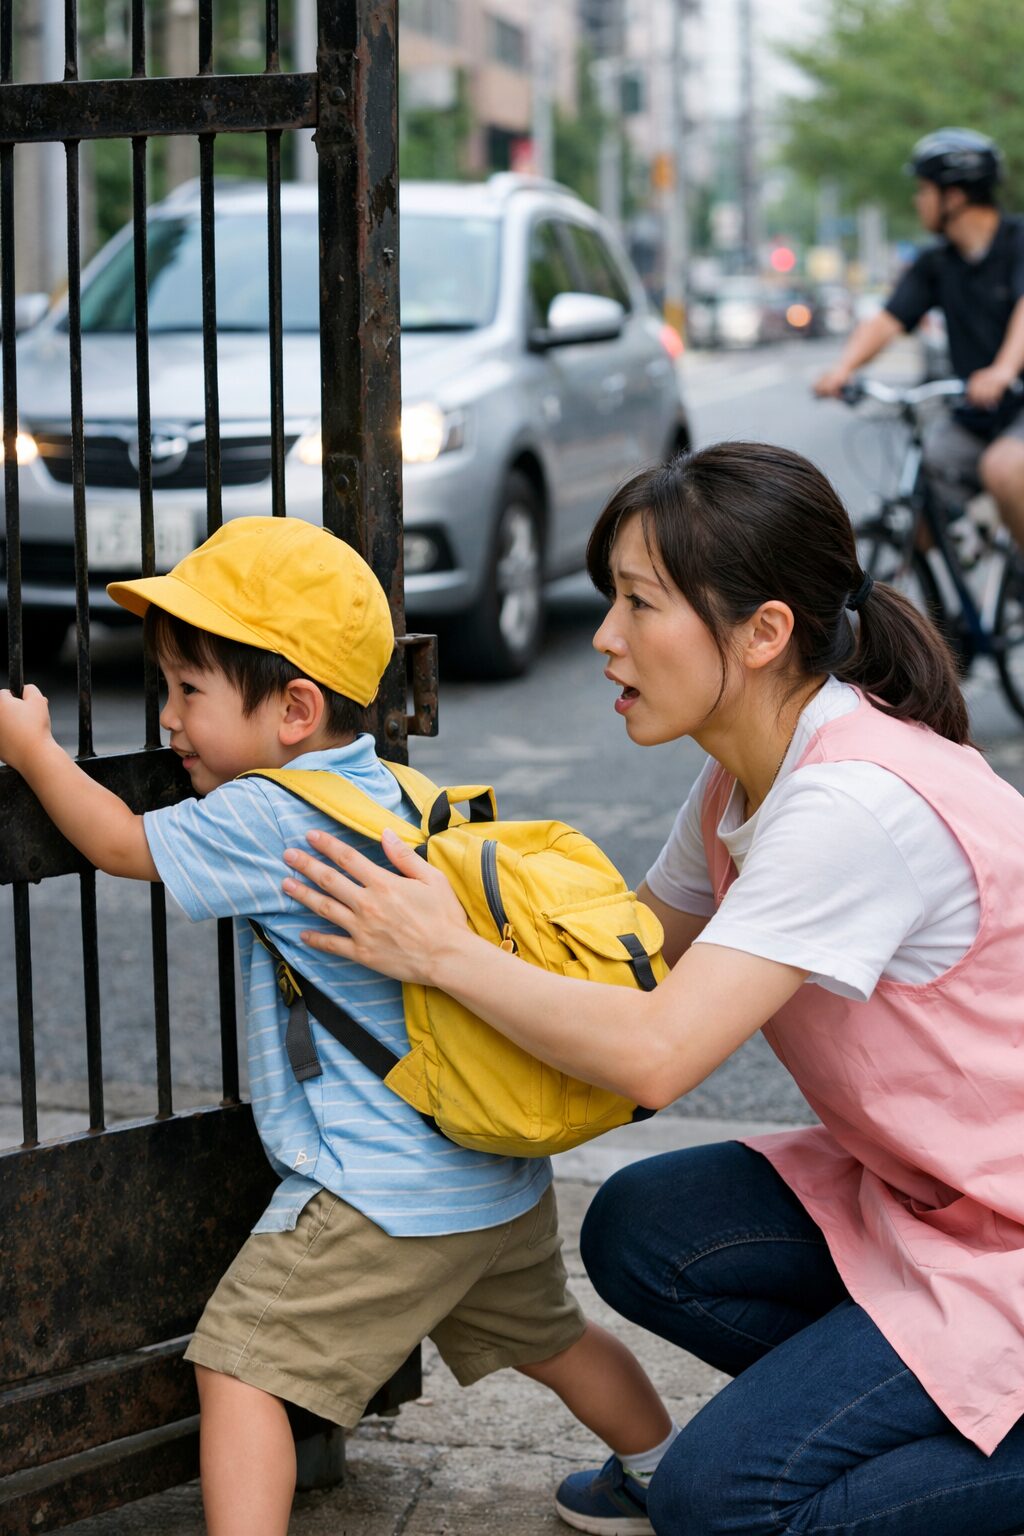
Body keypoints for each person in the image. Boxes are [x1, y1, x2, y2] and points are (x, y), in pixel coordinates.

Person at [279, 444, 1024, 1536]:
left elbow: (654, 1051)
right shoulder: (743, 770)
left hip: (999, 1237)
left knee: (720, 1503)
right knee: (641, 1227)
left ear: (764, 633)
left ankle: (963, 1420)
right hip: (930, 1200)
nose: (604, 638)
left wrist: (441, 952)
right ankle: (921, 1407)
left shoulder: (850, 808)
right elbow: (623, 964)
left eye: (640, 603)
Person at [0, 515, 680, 1536]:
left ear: (294, 709)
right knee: (556, 1339)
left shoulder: (270, 811)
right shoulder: (388, 788)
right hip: (489, 1174)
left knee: (239, 1369)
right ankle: (660, 1475)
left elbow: (120, 844)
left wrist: (36, 754)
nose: (170, 720)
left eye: (190, 691)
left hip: (380, 1190)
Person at [815, 127, 1024, 552]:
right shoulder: (936, 262)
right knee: (917, 503)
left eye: (924, 189)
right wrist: (843, 369)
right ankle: (944, 609)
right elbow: (887, 321)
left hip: (1019, 404)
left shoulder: (1019, 242)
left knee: (1003, 468)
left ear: (956, 196)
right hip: (977, 414)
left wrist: (1003, 369)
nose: (918, 199)